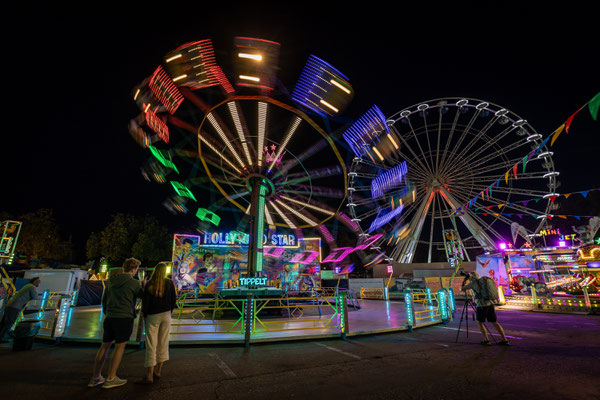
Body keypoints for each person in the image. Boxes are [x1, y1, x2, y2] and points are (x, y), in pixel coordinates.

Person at [89, 258, 142, 389]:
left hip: (110, 317)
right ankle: (111, 377)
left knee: (104, 347)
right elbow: (142, 295)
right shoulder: (134, 283)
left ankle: (95, 377)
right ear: (134, 269)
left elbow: (104, 300)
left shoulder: (111, 281)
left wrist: (108, 312)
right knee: (119, 347)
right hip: (124, 318)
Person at [139, 262, 176, 383]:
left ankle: (149, 375)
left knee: (151, 344)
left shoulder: (150, 283)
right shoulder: (169, 283)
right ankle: (158, 371)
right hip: (166, 314)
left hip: (152, 316)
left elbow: (146, 302)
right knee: (163, 342)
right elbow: (173, 300)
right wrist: (169, 311)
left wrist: (145, 313)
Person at [461, 272, 509, 346]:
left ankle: (486, 340)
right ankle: (504, 339)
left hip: (482, 305)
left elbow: (462, 289)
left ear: (471, 277)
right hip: (490, 304)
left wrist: (464, 280)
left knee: (479, 322)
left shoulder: (473, 283)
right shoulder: (482, 282)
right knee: (494, 322)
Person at [0, 277, 40, 343]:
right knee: (8, 323)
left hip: (11, 305)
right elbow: (35, 297)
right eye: (38, 281)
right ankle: (1, 338)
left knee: (4, 323)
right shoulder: (32, 287)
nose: (39, 283)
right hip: (15, 307)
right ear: (35, 281)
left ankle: (1, 336)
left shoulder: (27, 286)